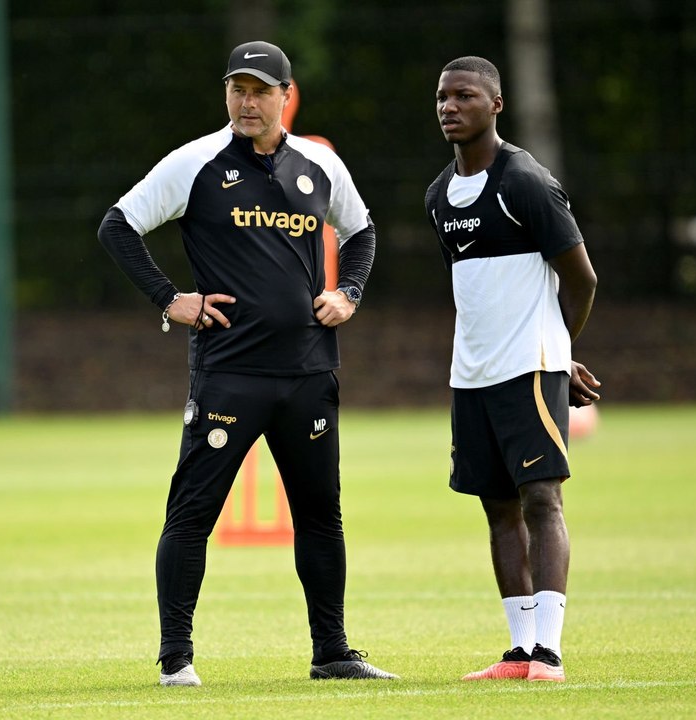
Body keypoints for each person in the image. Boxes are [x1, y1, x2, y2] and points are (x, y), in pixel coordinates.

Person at [97, 40, 397, 686]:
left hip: (310, 373)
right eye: (238, 89)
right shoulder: (197, 162)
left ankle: (332, 652)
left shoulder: (318, 165)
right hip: (230, 374)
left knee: (321, 515)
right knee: (192, 513)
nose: (247, 101)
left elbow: (363, 231)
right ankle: (176, 659)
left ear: (285, 96)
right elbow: (118, 225)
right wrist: (169, 299)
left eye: (261, 90)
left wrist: (348, 294)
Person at [424, 56, 601, 683]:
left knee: (540, 501)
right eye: (443, 97)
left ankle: (549, 653)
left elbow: (581, 280)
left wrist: (556, 350)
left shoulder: (525, 180)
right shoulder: (439, 195)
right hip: (469, 376)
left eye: (465, 96)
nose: (450, 106)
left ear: (496, 105)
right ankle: (520, 651)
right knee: (496, 508)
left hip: (529, 370)